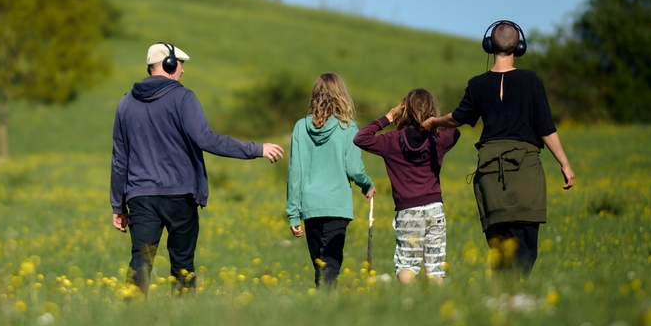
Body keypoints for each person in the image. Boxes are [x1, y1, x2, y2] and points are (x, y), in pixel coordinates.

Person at [111, 43, 284, 294]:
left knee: (141, 259)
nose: (183, 71)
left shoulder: (125, 104)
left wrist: (118, 205)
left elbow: (119, 159)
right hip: (180, 195)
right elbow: (207, 140)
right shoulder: (183, 97)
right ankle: (181, 319)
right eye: (180, 64)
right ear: (169, 64)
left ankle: (131, 316)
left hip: (140, 196)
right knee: (182, 264)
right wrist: (256, 149)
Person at [423, 21, 574, 276]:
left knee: (499, 251)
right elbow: (546, 128)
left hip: (490, 174)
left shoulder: (477, 84)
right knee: (525, 250)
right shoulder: (531, 80)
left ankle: (501, 301)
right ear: (520, 47)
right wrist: (565, 164)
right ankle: (515, 300)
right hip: (525, 172)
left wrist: (434, 122)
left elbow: (458, 118)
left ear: (489, 46)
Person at [355, 88, 459, 284]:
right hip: (435, 209)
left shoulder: (392, 141)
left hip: (407, 211)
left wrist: (388, 117)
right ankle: (435, 306)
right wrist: (436, 122)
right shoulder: (439, 139)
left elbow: (361, 138)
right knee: (435, 267)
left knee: (406, 265)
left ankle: (408, 302)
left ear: (403, 111)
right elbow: (456, 130)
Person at [285, 73, 375, 287]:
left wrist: (293, 214)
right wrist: (367, 184)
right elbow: (353, 169)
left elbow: (295, 173)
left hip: (310, 206)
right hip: (337, 206)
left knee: (320, 266)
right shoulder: (348, 127)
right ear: (341, 95)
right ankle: (327, 304)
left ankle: (322, 306)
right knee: (331, 264)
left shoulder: (300, 128)